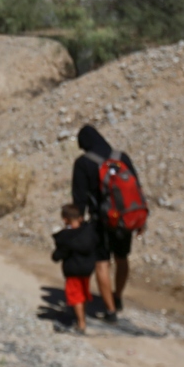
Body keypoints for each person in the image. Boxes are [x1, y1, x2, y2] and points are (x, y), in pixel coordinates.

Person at [72, 124, 143, 322]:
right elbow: (136, 187)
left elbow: (79, 200)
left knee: (102, 264)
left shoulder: (83, 163)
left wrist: (75, 226)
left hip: (100, 222)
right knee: (122, 258)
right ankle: (118, 297)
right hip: (124, 218)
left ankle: (110, 311)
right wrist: (140, 219)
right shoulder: (121, 157)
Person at [52, 204, 98, 335]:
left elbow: (58, 255)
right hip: (87, 269)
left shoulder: (66, 237)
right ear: (80, 218)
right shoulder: (88, 232)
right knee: (83, 294)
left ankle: (81, 324)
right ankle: (81, 317)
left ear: (65, 219)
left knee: (75, 297)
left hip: (73, 271)